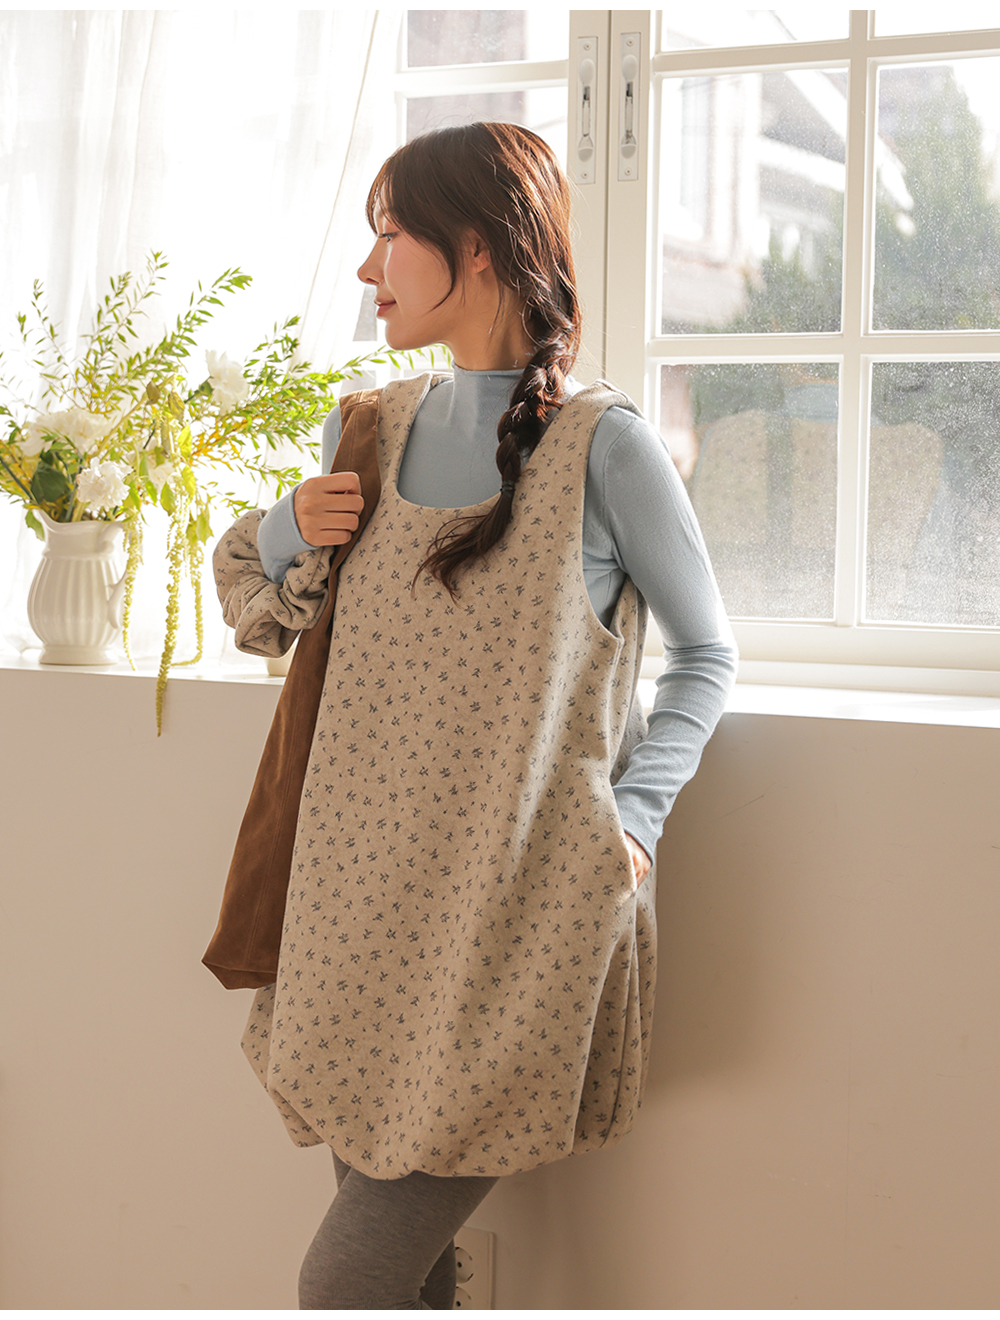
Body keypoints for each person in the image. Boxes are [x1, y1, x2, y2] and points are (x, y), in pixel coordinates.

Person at [214, 121, 737, 1309]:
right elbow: (262, 601)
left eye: (391, 235)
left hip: (510, 918)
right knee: (411, 1279)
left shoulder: (605, 446)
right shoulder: (371, 424)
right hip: (356, 908)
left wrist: (636, 820)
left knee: (343, 1281)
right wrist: (290, 523)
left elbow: (707, 654)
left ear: (482, 248)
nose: (368, 268)